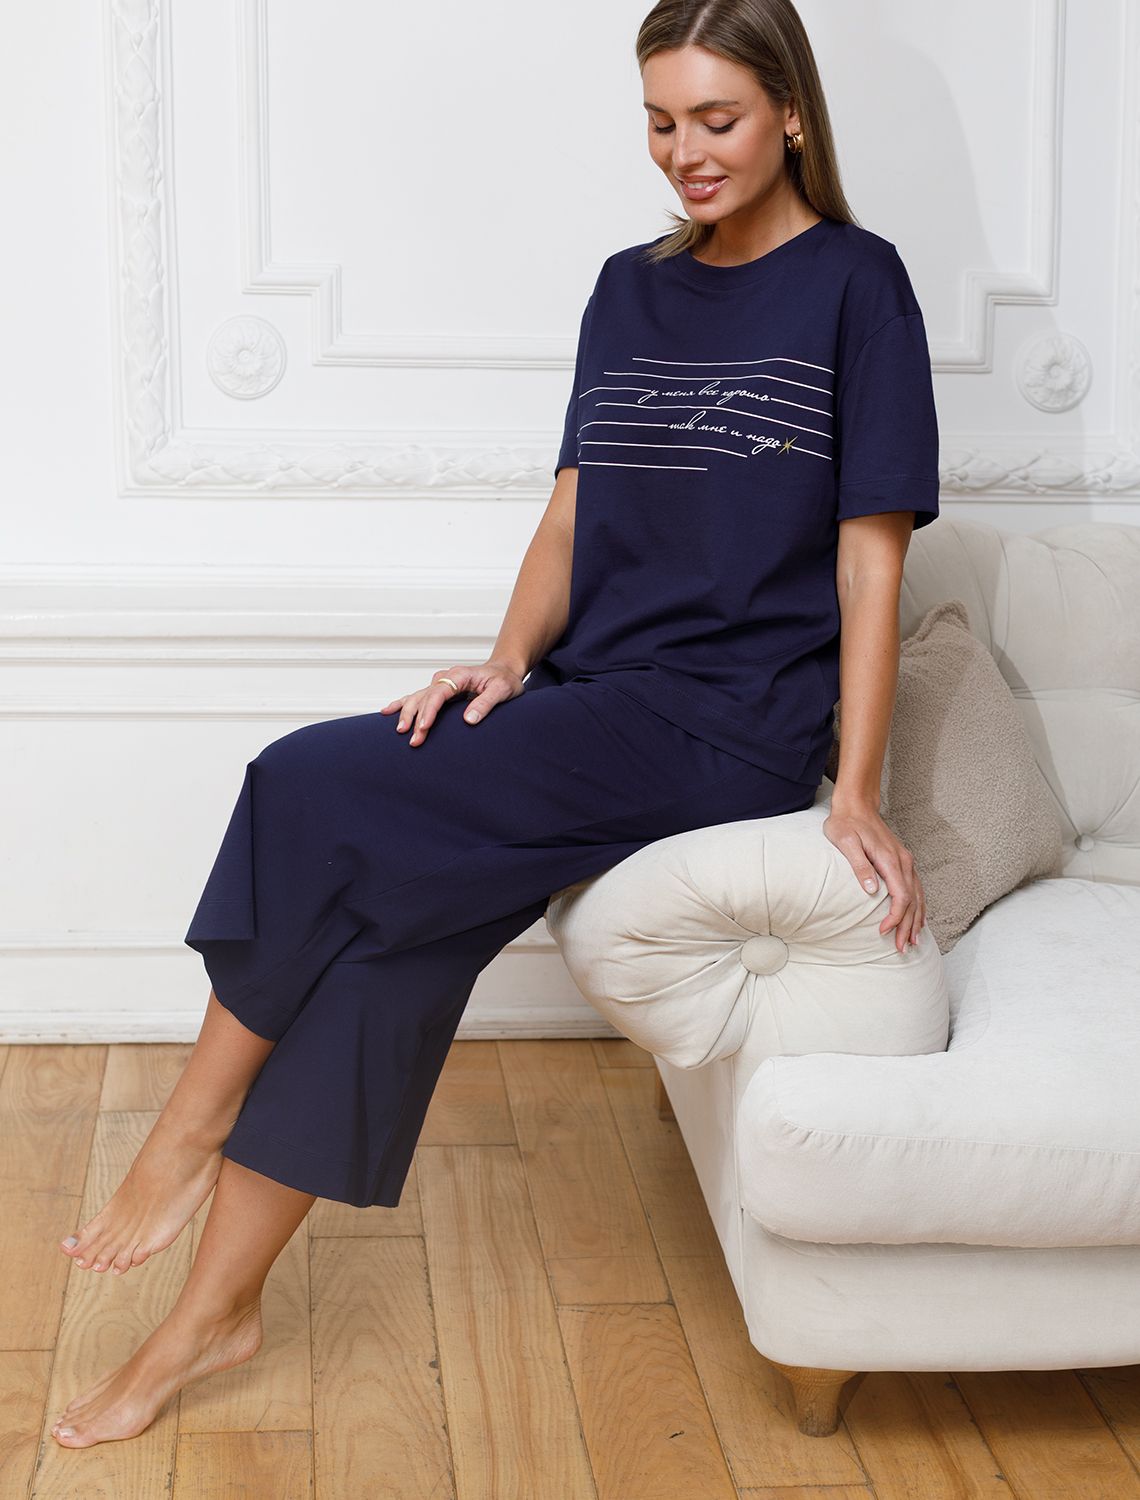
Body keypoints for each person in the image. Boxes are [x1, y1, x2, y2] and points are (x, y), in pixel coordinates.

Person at [50, 0, 937, 1448]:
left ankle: (187, 1129)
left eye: (716, 119)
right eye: (660, 121)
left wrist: (856, 789)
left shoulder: (859, 284)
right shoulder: (629, 289)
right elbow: (575, 509)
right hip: (595, 699)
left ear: (790, 113)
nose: (685, 151)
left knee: (304, 781)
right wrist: (509, 662)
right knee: (385, 943)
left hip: (730, 727)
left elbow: (869, 560)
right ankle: (211, 1315)